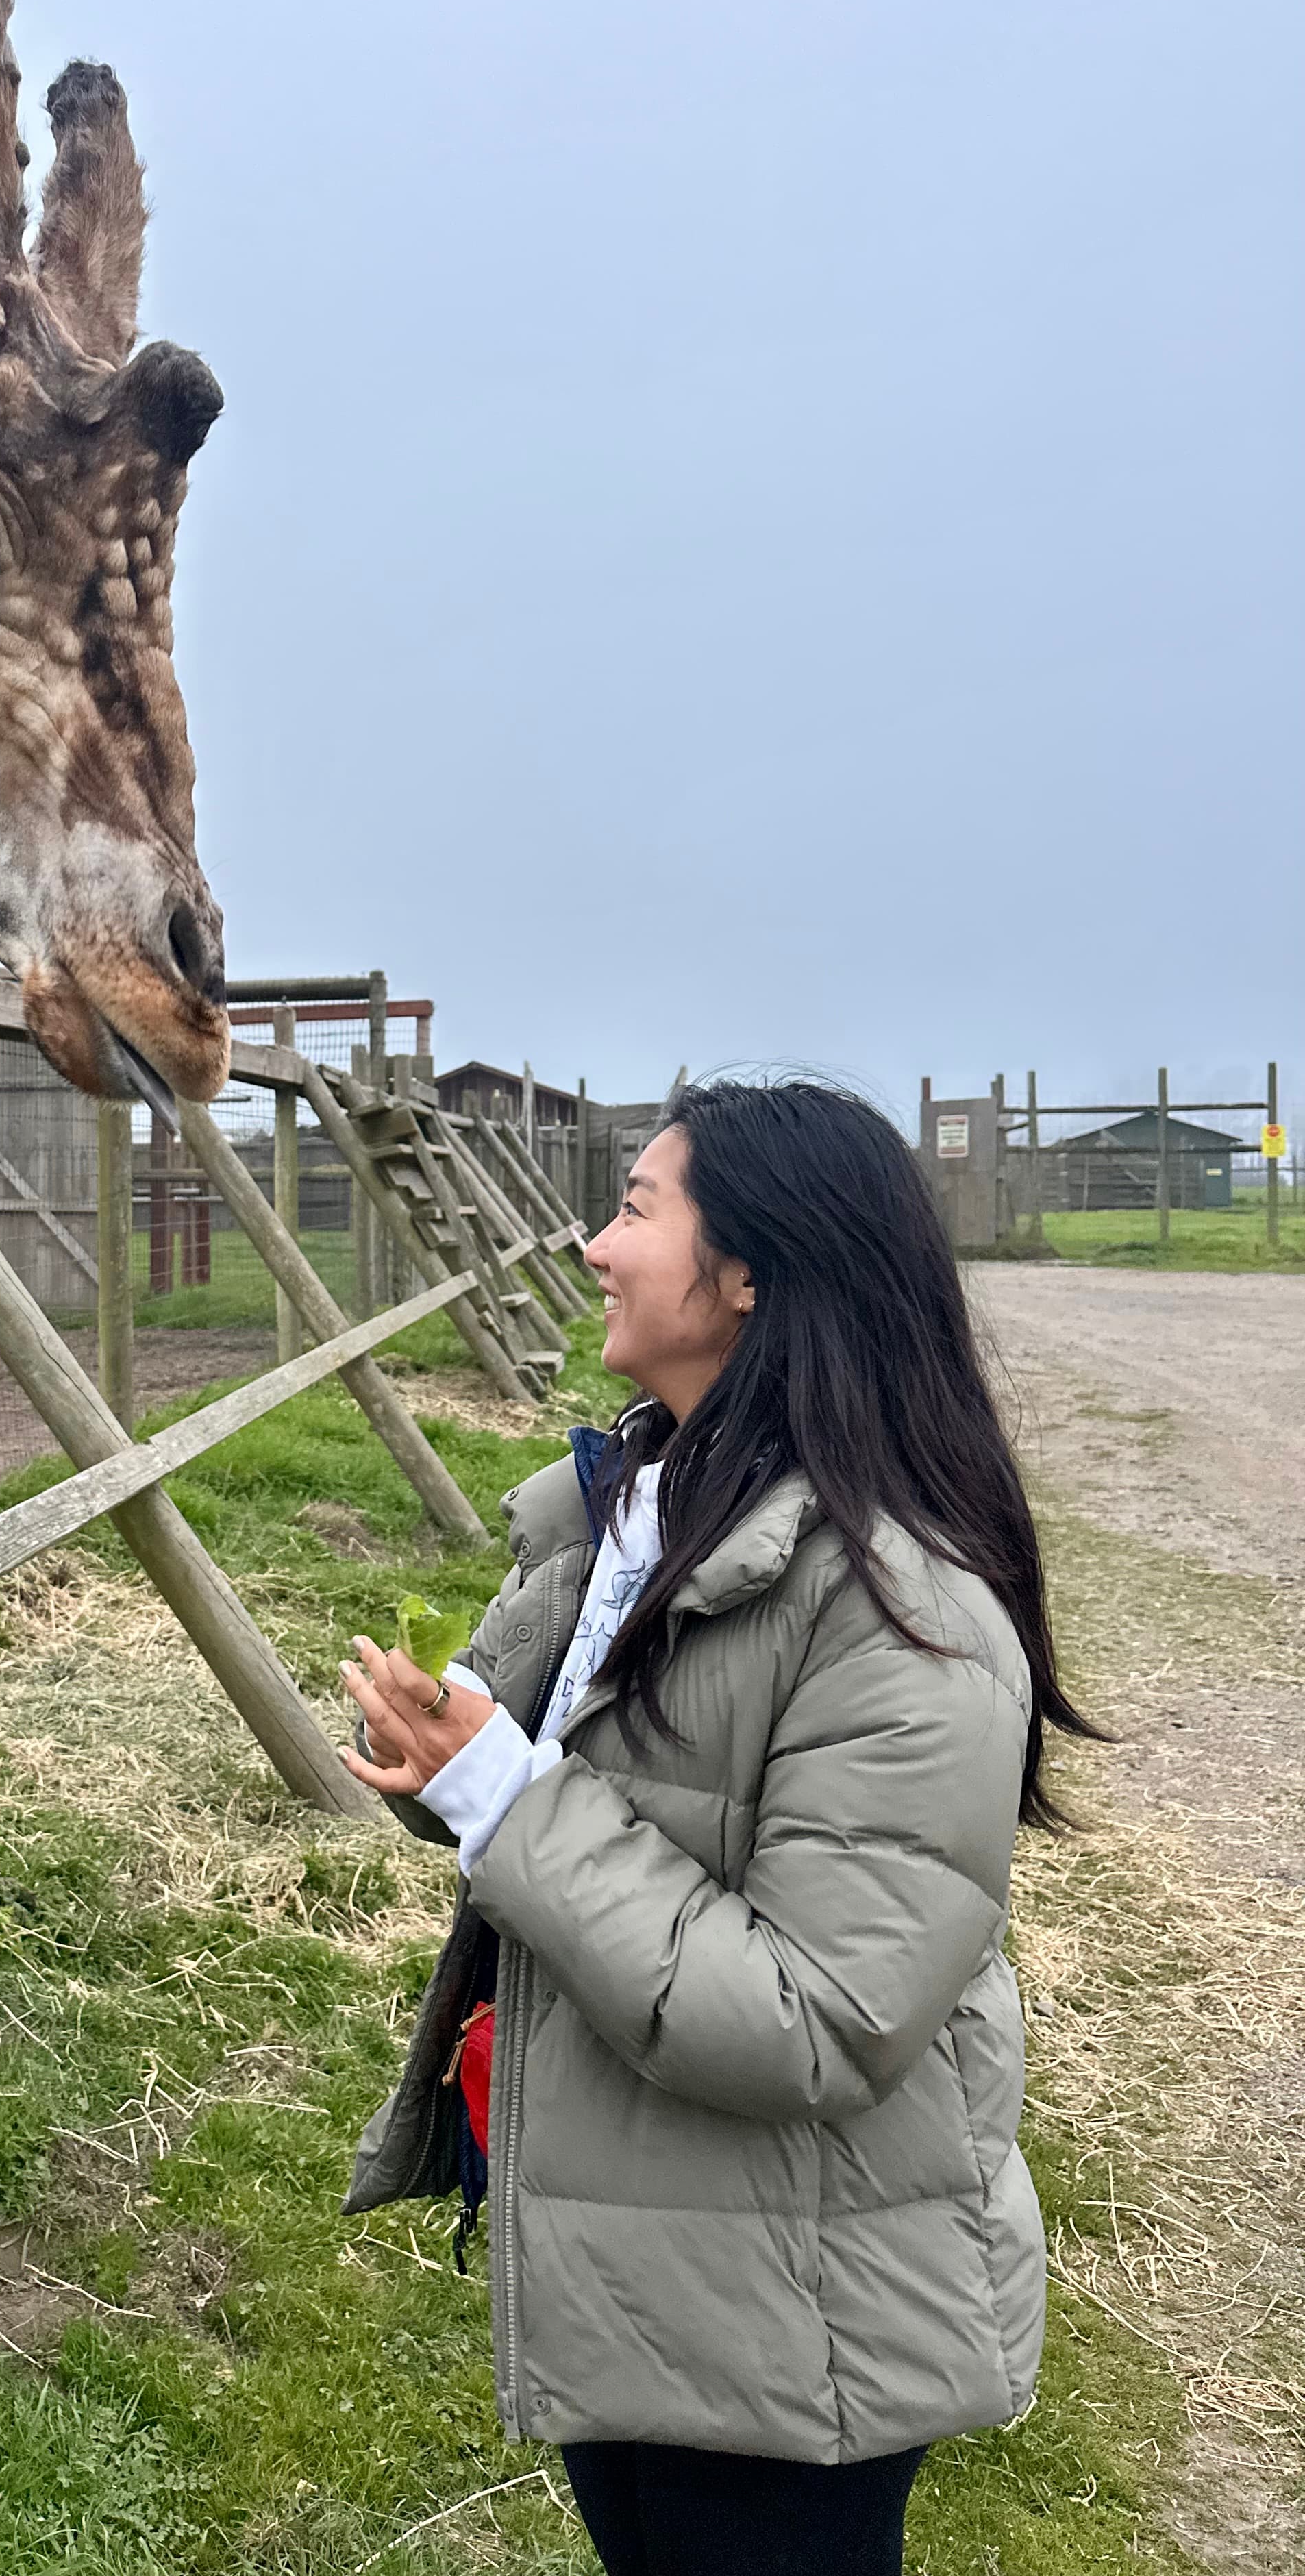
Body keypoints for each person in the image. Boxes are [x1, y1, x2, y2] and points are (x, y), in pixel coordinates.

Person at [339, 1078, 1097, 2576]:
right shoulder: (646, 1510)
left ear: (749, 1273)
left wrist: (499, 1794)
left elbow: (820, 2014)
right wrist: (448, 1759)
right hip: (652, 2265)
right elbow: (572, 1805)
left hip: (794, 2327)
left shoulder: (908, 1612)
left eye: (635, 1209)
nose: (596, 1247)